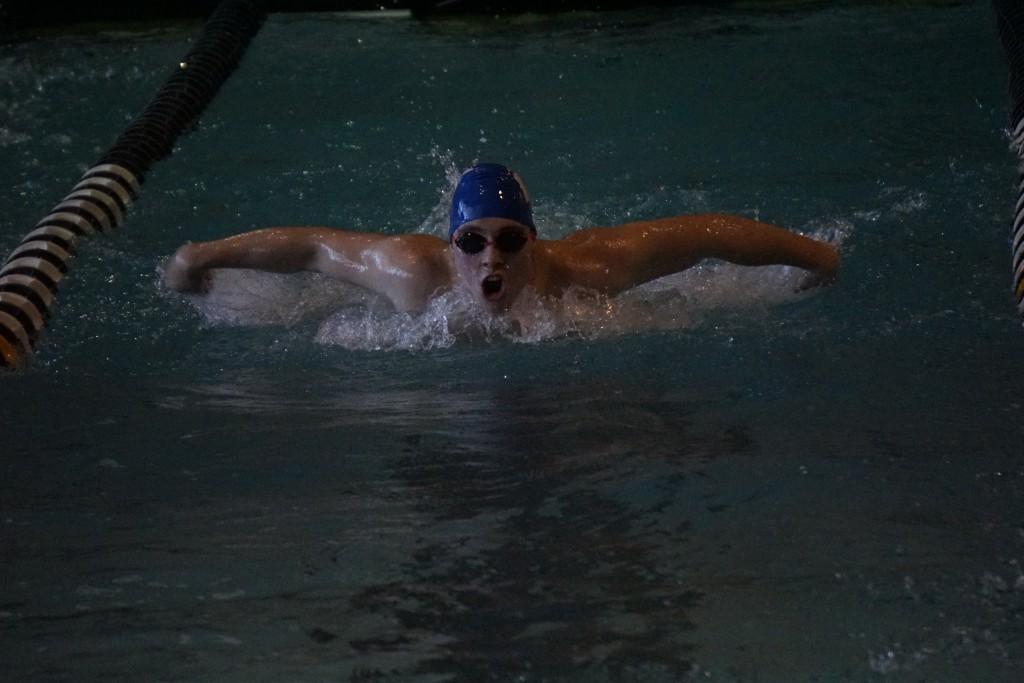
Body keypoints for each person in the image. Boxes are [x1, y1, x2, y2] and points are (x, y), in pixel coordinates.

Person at [164, 163, 839, 314]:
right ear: (450, 243)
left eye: (511, 240)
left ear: (534, 241)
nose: (493, 257)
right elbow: (312, 247)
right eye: (474, 242)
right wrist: (202, 257)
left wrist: (815, 256)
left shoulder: (585, 268)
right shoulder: (411, 272)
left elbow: (707, 234)